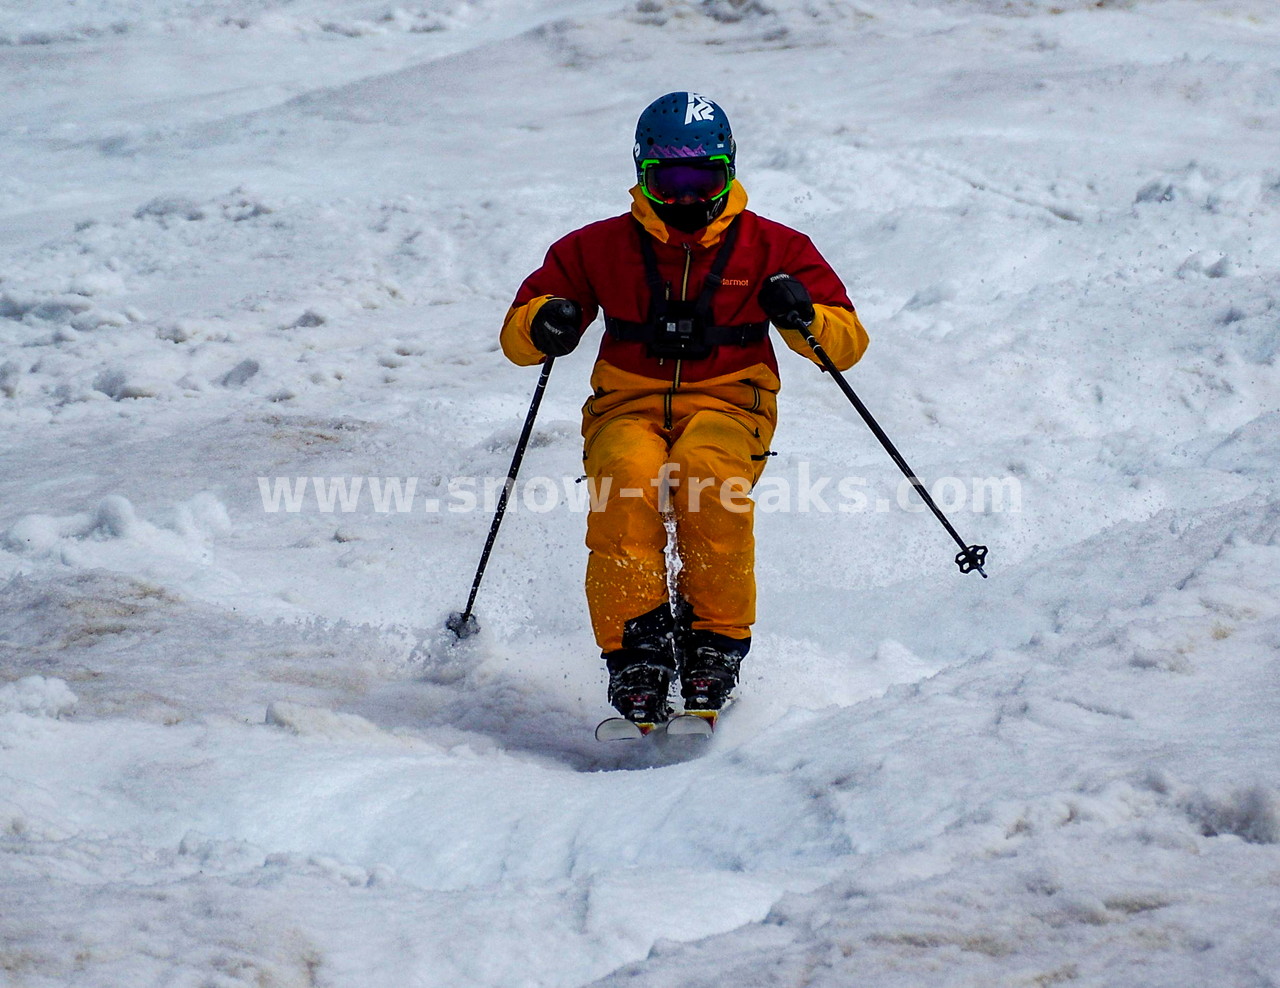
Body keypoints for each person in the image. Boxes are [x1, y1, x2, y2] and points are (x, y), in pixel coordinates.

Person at [500, 92, 868, 726]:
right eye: (669, 182)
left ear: (729, 172)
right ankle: (635, 652)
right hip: (626, 404)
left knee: (708, 478)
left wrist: (805, 314)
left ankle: (714, 645)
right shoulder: (596, 247)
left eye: (705, 179)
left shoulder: (774, 247)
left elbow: (848, 345)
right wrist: (543, 322)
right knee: (625, 481)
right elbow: (517, 338)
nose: (689, 198)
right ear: (643, 175)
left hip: (732, 402)